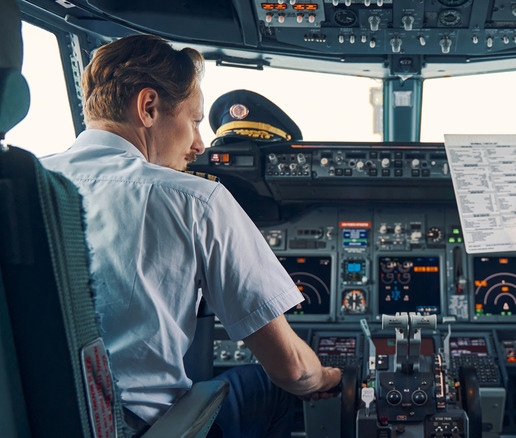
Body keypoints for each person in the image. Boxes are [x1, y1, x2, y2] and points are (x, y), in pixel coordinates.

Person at [40, 34, 341, 437]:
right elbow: (293, 369)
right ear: (148, 107)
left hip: (30, 418)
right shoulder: (194, 200)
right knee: (270, 388)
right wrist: (326, 379)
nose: (200, 144)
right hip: (138, 429)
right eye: (195, 120)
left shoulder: (26, 188)